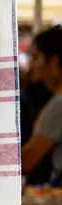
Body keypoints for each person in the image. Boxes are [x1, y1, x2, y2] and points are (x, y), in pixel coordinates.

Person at [22, 26, 62, 184]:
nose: (32, 65)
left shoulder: (59, 104)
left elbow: (26, 161)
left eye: (36, 57)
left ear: (54, 62)